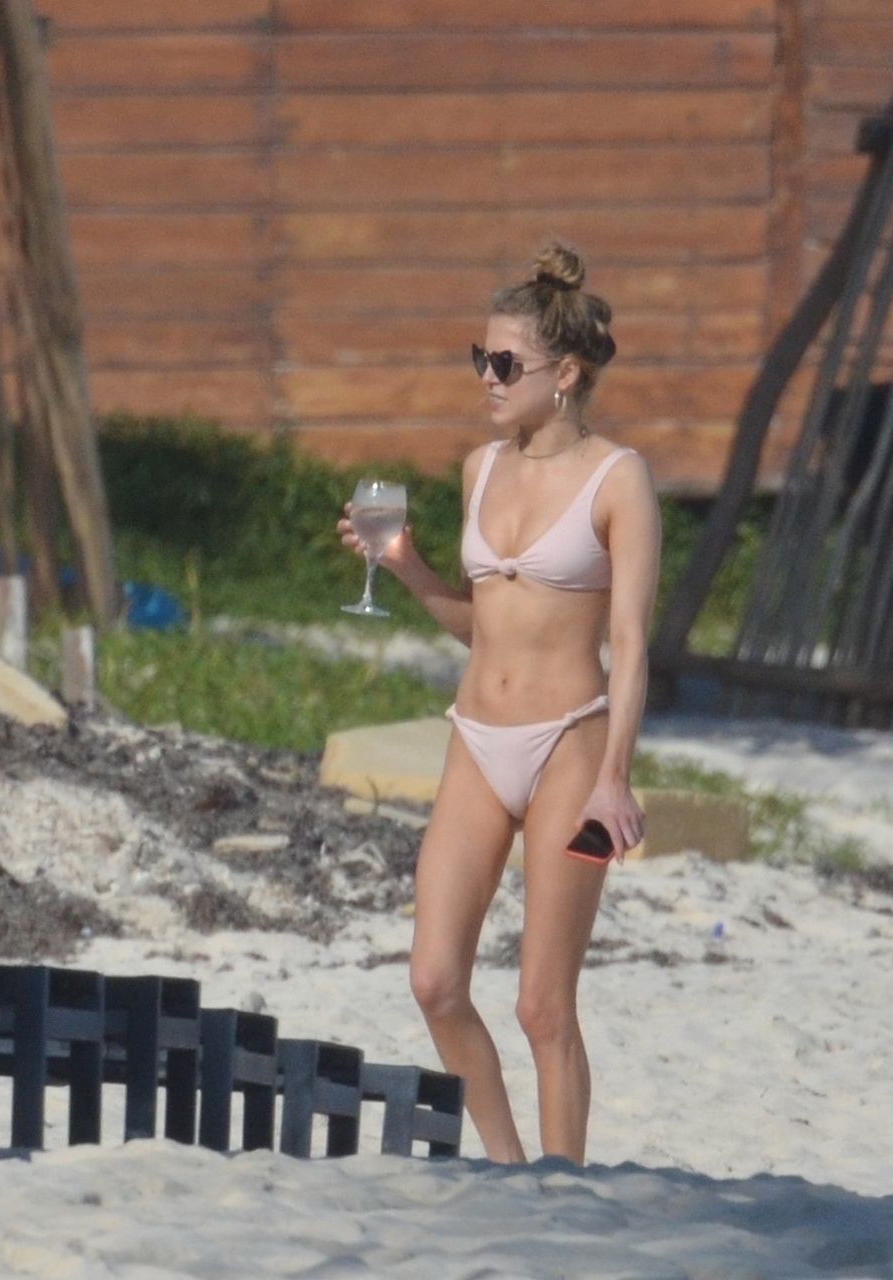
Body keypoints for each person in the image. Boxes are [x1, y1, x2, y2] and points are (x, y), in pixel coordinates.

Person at [336, 240, 660, 1163]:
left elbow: (631, 645)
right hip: (476, 740)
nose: (487, 376)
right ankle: (510, 1170)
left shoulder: (619, 478)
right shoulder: (480, 468)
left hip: (572, 749)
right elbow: (482, 627)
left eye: (506, 363)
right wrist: (405, 567)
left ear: (566, 374)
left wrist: (616, 777)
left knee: (543, 1005)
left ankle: (565, 1194)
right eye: (480, 357)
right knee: (435, 981)